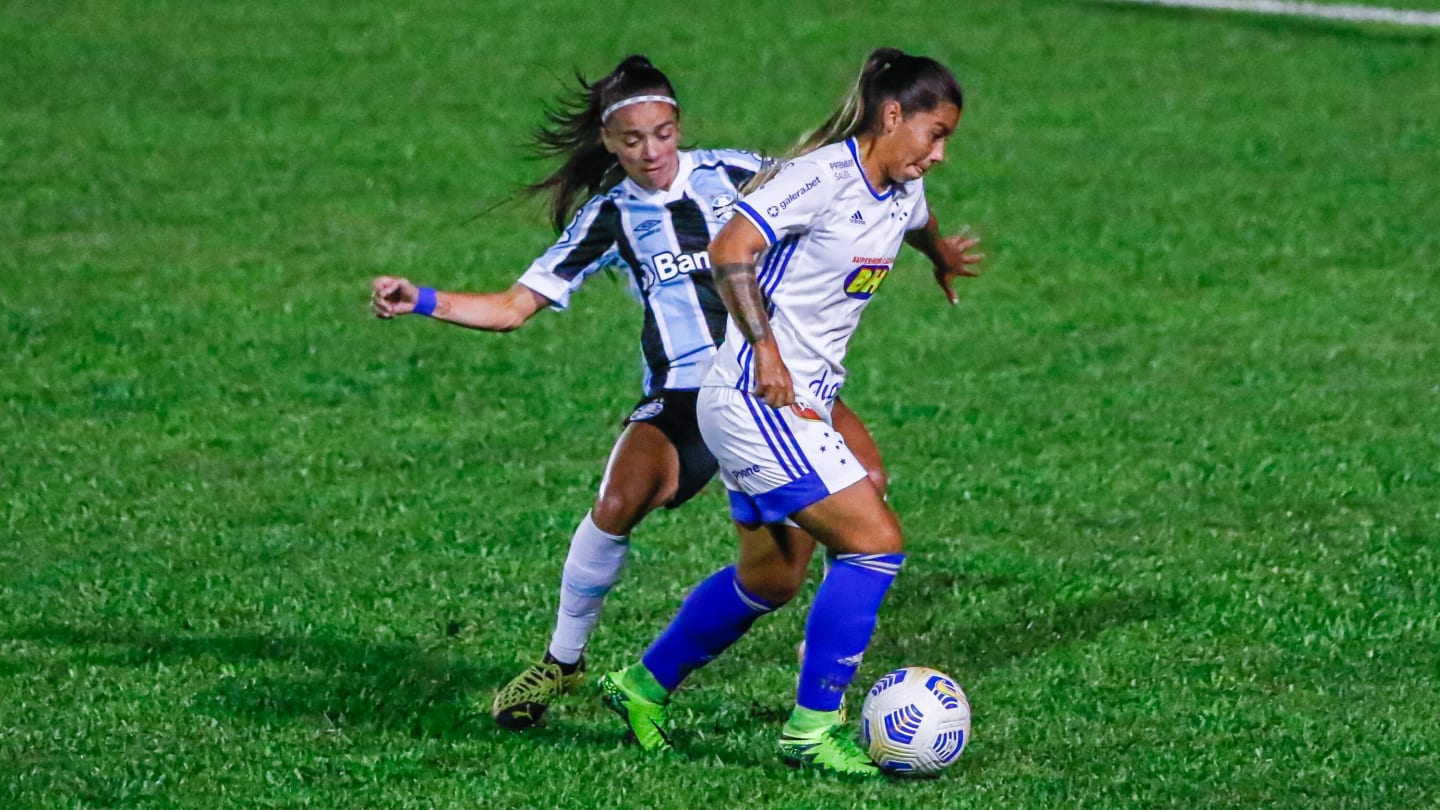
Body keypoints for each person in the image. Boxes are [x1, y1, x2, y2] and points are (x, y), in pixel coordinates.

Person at [370, 55, 889, 730]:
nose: (652, 151)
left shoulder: (734, 172)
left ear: (679, 126)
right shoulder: (609, 215)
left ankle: (818, 659)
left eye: (663, 133)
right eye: (633, 139)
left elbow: (829, 183)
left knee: (827, 527)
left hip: (769, 378)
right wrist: (421, 300)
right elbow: (510, 308)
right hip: (682, 394)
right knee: (619, 500)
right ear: (609, 143)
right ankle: (564, 660)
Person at [598, 48, 983, 777]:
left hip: (803, 403)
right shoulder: (819, 177)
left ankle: (641, 687)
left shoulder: (900, 187)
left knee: (770, 580)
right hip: (755, 397)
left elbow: (916, 220)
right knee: (874, 543)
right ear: (891, 116)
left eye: (947, 139)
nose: (939, 153)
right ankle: (812, 728)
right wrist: (766, 349)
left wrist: (941, 257)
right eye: (934, 134)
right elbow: (728, 245)